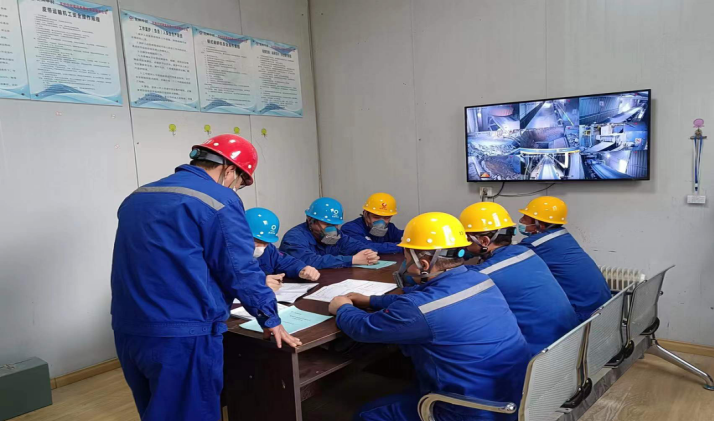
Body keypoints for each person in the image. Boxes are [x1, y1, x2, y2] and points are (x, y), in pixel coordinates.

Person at [111, 134, 301, 421]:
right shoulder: (218, 199)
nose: (236, 188)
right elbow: (239, 268)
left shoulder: (138, 195)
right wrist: (269, 317)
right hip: (182, 333)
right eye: (240, 182)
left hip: (129, 329)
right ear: (229, 169)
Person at [329, 212, 530, 421]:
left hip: (470, 410)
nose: (405, 264)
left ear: (424, 264)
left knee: (366, 415)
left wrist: (343, 308)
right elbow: (422, 302)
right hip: (513, 396)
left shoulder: (419, 309)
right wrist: (372, 300)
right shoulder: (479, 280)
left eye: (407, 258)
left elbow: (363, 328)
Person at [460, 202, 579, 355]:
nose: (464, 244)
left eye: (467, 238)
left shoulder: (484, 274)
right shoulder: (526, 252)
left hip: (540, 352)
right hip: (567, 341)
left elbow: (456, 280)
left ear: (484, 241)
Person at [518, 196, 611, 321]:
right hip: (604, 308)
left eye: (525, 218)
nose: (521, 221)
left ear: (539, 224)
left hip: (582, 315)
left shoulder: (535, 244)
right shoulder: (563, 235)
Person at [279, 197, 380, 269]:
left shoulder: (339, 235)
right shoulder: (294, 237)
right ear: (310, 220)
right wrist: (352, 260)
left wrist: (369, 254)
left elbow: (360, 246)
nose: (332, 229)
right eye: (327, 224)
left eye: (334, 225)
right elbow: (310, 261)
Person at [246, 207, 321, 291]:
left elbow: (286, 262)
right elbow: (234, 282)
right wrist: (258, 283)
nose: (262, 247)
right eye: (257, 241)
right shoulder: (233, 254)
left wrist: (301, 269)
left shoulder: (269, 249)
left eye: (266, 242)